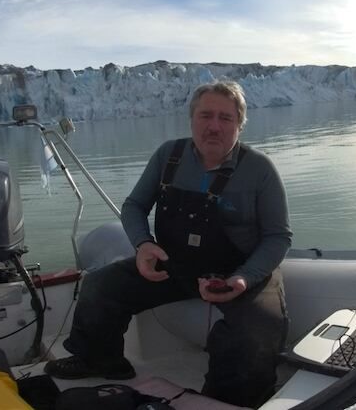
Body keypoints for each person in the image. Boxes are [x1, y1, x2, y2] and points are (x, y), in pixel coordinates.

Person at [43, 80, 291, 408]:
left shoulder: (259, 169)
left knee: (258, 331)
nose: (214, 126)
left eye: (225, 118)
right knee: (101, 285)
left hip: (240, 271)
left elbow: (278, 237)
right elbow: (134, 207)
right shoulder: (169, 156)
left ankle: (227, 399)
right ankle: (98, 359)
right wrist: (143, 245)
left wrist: (244, 278)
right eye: (205, 115)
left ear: (240, 124)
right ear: (191, 119)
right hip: (175, 264)